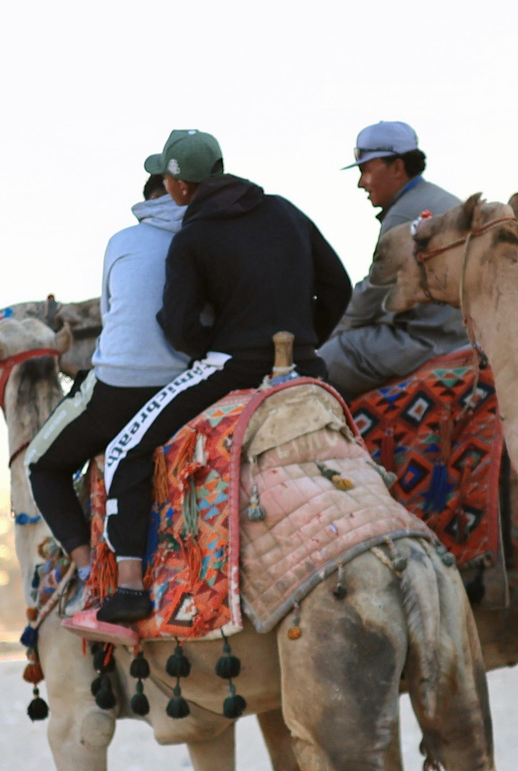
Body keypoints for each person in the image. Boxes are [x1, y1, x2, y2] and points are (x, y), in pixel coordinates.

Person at [91, 128, 351, 626]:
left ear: (179, 185)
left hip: (233, 366)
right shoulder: (283, 209)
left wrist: (205, 347)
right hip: (307, 365)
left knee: (126, 447)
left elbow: (178, 324)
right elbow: (336, 283)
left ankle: (128, 588)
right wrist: (306, 339)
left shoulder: (195, 235)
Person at [24, 169, 194, 562]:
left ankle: (86, 570)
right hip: (189, 383)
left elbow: (111, 309)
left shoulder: (122, 241)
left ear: (150, 200)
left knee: (41, 464)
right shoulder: (208, 239)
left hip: (121, 386)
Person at [316, 120, 470, 398]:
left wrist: (326, 333)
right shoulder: (444, 200)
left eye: (366, 171)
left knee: (320, 366)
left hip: (424, 341)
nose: (361, 183)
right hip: (461, 335)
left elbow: (374, 295)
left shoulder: (403, 216)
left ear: (397, 167)